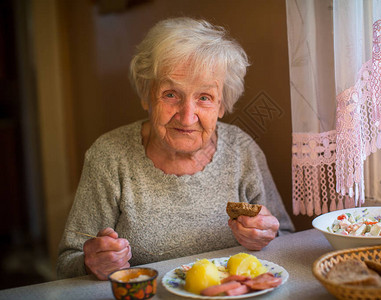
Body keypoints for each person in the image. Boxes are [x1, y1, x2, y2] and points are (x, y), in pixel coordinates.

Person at [57, 17, 295, 280]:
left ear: (222, 105)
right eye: (171, 94)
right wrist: (91, 264)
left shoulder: (243, 150)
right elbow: (68, 262)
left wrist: (266, 238)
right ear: (147, 94)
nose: (186, 116)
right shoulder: (109, 156)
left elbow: (285, 238)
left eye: (204, 98)